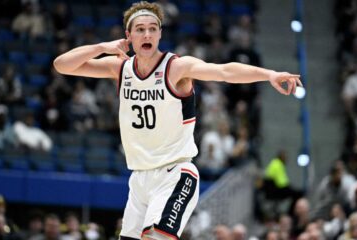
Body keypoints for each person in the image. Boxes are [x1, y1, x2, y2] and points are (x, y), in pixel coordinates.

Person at [53, 2, 302, 239]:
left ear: (160, 34)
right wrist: (101, 48)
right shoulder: (120, 68)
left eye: (153, 29)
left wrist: (270, 75)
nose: (147, 34)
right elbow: (62, 65)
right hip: (139, 178)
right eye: (140, 30)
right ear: (128, 36)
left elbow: (224, 71)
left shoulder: (177, 68)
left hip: (174, 173)